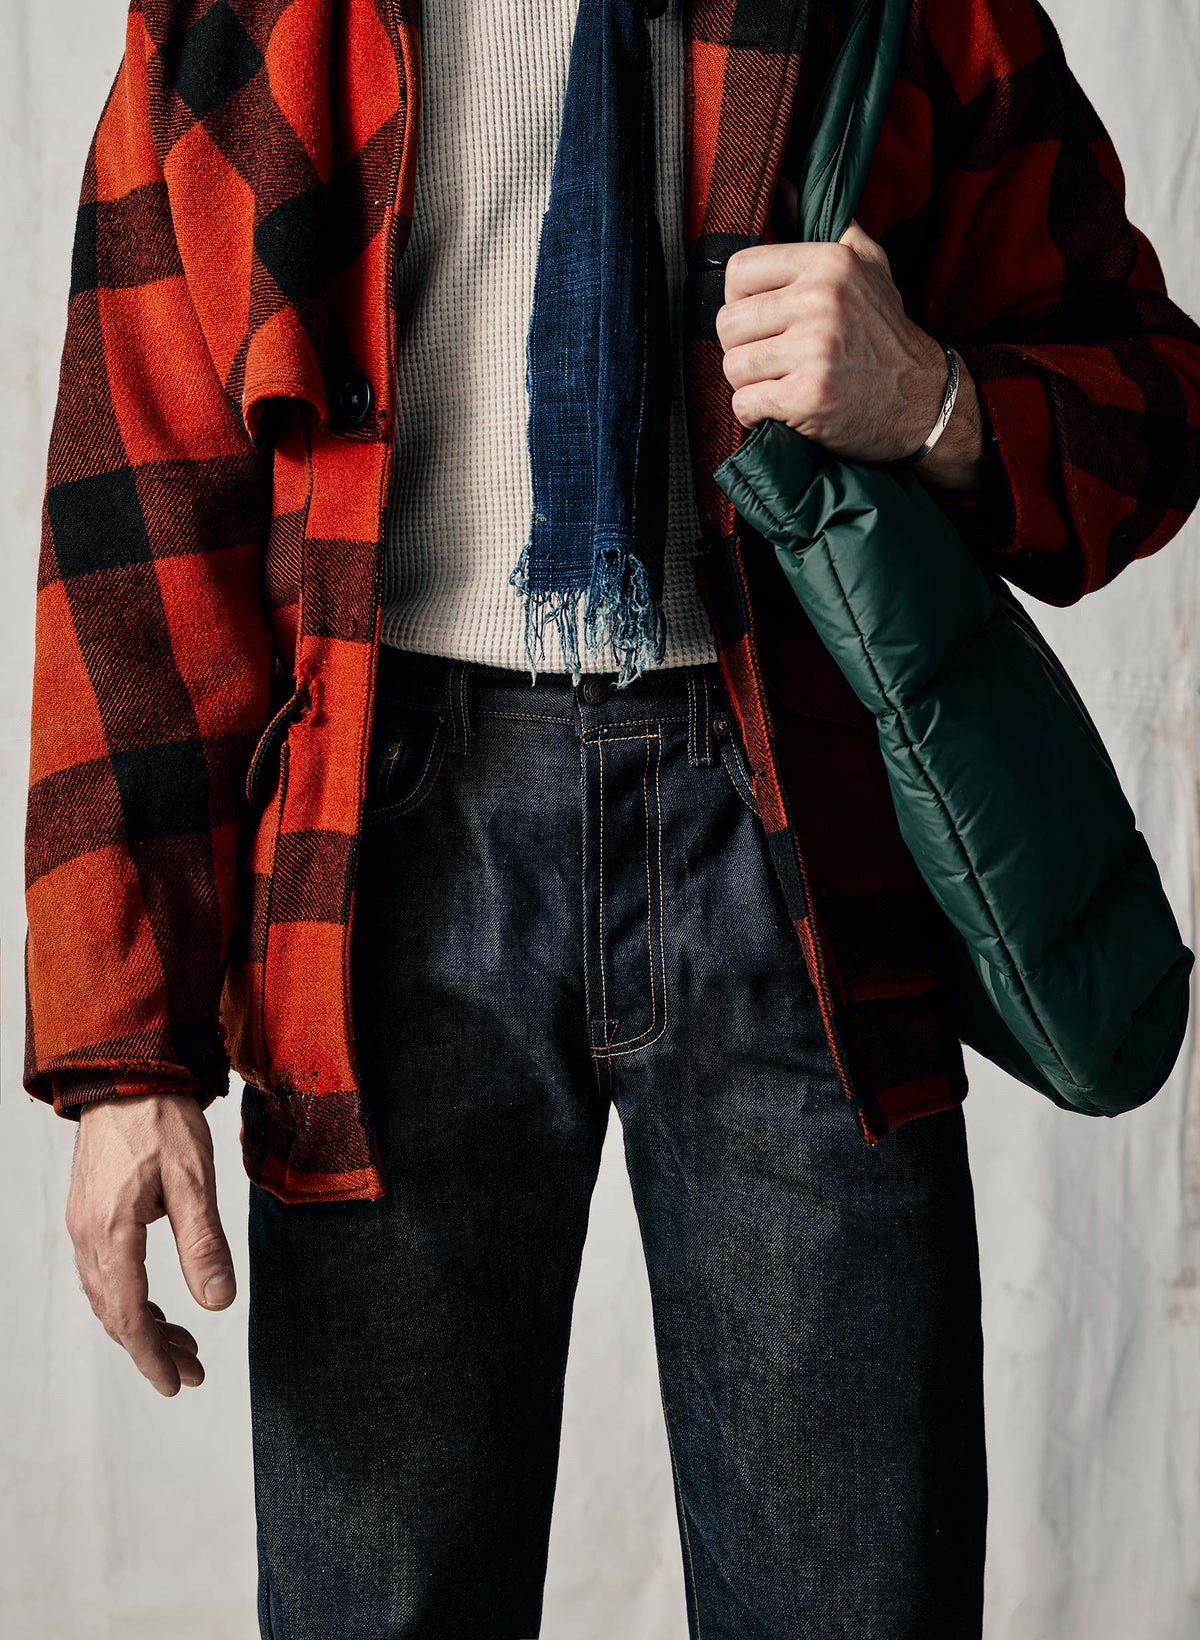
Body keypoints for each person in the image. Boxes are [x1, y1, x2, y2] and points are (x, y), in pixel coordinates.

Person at [23, 0, 1200, 1635]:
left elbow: (1149, 404)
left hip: (788, 838)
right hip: (381, 866)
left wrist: (932, 398)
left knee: (854, 1600)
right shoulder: (249, 16)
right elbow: (141, 505)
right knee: (380, 1608)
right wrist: (125, 1054)